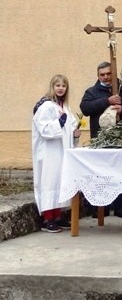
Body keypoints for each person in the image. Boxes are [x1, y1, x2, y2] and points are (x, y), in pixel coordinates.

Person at [79, 61, 122, 218]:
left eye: (109, 74)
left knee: (120, 173)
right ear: (98, 75)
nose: (106, 77)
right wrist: (107, 101)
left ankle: (120, 207)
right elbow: (85, 108)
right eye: (102, 74)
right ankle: (101, 208)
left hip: (121, 139)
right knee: (101, 174)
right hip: (100, 139)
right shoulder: (92, 91)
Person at [32, 75, 81, 232]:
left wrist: (75, 133)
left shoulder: (64, 107)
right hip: (48, 152)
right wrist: (58, 123)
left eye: (64, 86)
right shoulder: (46, 106)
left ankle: (58, 216)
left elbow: (71, 125)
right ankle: (48, 219)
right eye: (57, 85)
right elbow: (44, 129)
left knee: (59, 181)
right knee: (49, 182)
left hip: (61, 151)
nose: (61, 88)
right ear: (52, 87)